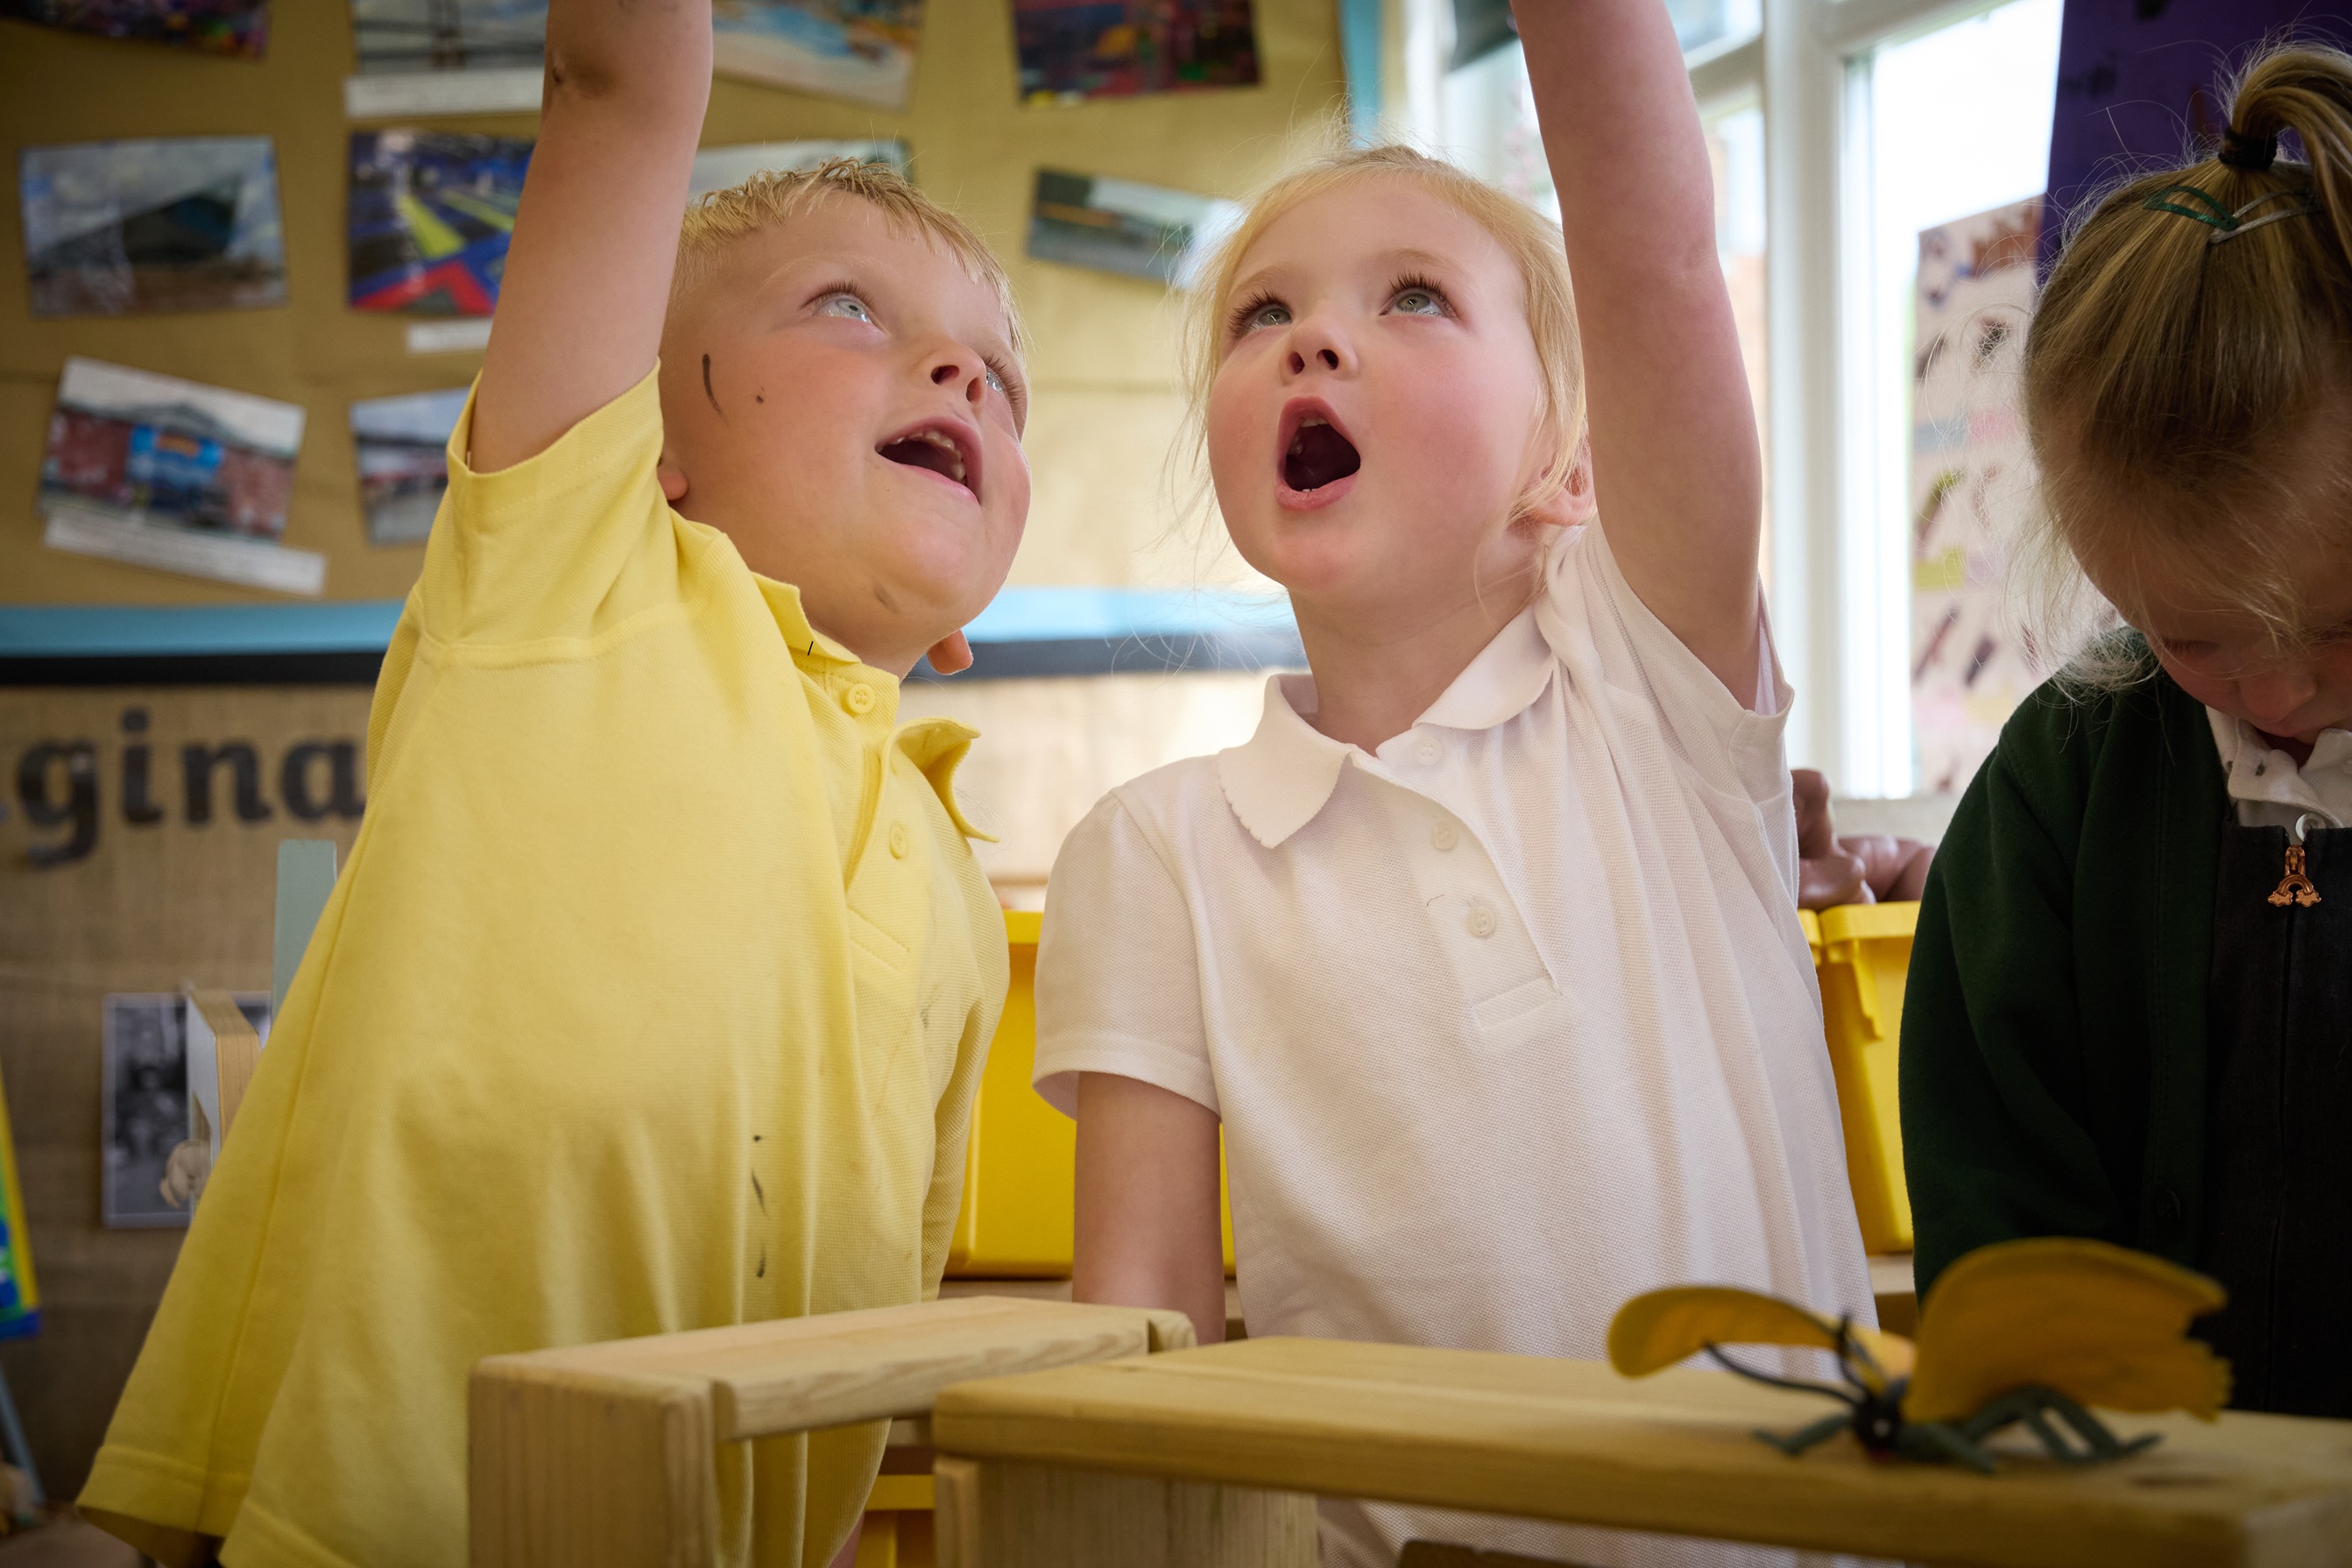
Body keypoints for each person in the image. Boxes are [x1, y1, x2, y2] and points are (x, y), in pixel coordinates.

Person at [77, 2, 1030, 1562]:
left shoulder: (953, 878)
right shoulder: (574, 574)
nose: (960, 372)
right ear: (643, 437)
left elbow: (877, 1327)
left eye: (1001, 375)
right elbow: (621, 84)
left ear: (972, 616)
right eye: (849, 306)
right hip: (376, 1513)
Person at [1032, 3, 1874, 1562]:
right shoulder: (1154, 853)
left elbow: (1654, 252)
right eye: (1257, 313)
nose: (1314, 335)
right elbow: (1133, 1349)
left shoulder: (1652, 690)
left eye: (1412, 296)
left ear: (1573, 462)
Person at [1902, 45, 2352, 1421]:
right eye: (2191, 638)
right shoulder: (2057, 789)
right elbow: (1998, 1221)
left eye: (2341, 626)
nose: (2278, 697)